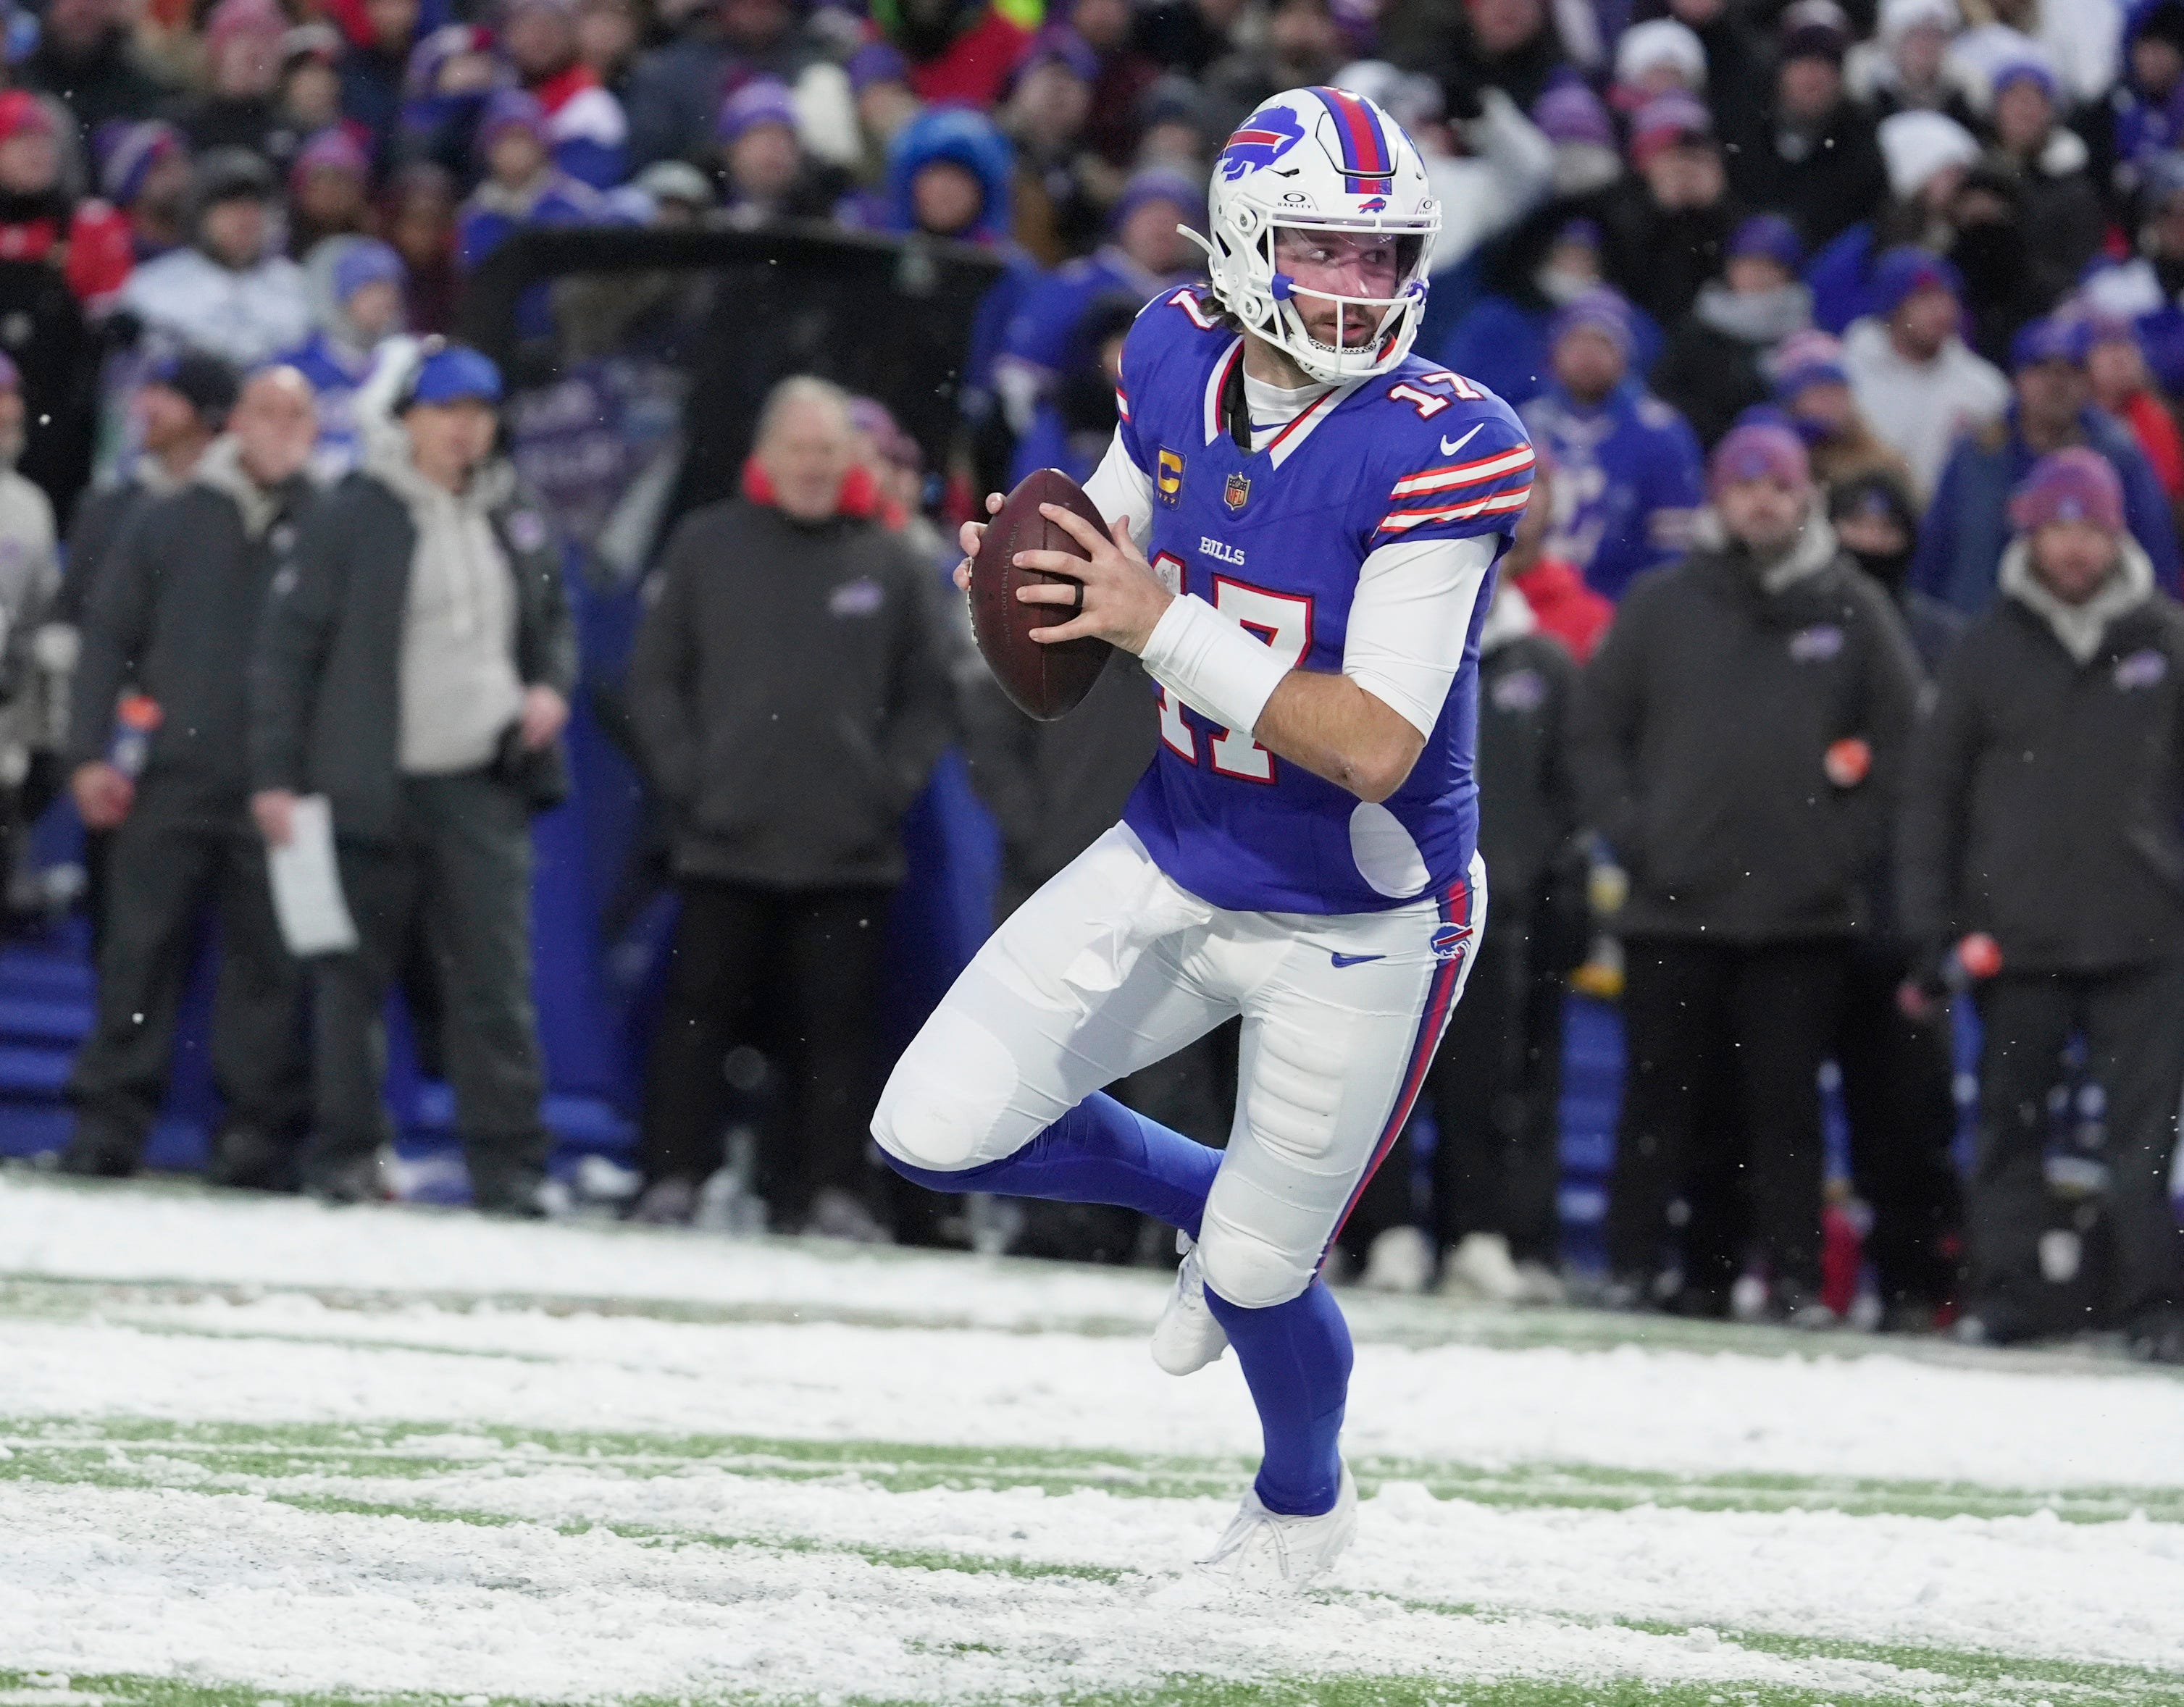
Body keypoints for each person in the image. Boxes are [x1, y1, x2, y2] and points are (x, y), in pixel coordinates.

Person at [874, 88, 1532, 1586]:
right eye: (1323, 251)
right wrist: (1042, 576)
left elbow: (1373, 744)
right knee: (930, 1126)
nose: (1359, 290)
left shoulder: (1446, 443)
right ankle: (1205, 1189)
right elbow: (1115, 532)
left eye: (1385, 258)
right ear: (1241, 239)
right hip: (1176, 846)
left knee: (1254, 1270)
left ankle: (1301, 1506)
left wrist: (1154, 619)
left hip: (1360, 916)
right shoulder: (1171, 344)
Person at [1571, 421, 1923, 1322]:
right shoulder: (1659, 602)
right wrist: (1638, 836)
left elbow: (1904, 747)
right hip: (1670, 903)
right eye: (1745, 483)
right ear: (1718, 496)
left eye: (1779, 484)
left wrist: (1838, 852)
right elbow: (1595, 733)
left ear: (1807, 494)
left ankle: (1797, 1282)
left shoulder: (1851, 606)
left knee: (1786, 1115)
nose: (1762, 499)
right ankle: (1637, 1266)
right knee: (1659, 1106)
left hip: (1799, 917)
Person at [250, 341, 577, 1214]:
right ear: (406, 421)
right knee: (349, 984)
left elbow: (553, 621)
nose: (466, 430)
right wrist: (276, 774)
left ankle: (511, 1169)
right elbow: (289, 652)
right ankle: (347, 1156)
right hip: (367, 781)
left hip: (480, 779)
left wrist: (547, 686)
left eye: (479, 412)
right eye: (447, 412)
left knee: (493, 987)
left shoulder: (516, 512)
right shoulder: (354, 513)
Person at [625, 377, 952, 1236]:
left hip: (849, 852)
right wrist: (693, 781)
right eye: (799, 449)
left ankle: (829, 1191)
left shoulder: (893, 561)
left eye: (827, 451)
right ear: (765, 455)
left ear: (853, 458)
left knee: (838, 1034)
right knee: (694, 1024)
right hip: (722, 842)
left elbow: (932, 693)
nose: (813, 467)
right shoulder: (706, 544)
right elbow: (652, 679)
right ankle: (673, 1178)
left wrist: (886, 790)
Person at [1899, 448, 2184, 1362]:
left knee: (2143, 1146)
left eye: (2091, 527)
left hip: (2147, 935)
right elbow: (1932, 797)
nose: (2074, 547)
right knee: (2008, 1134)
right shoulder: (1986, 648)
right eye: (2059, 526)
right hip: (2015, 937)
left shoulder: (2167, 642)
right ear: (2032, 530)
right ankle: (2009, 1297)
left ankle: (2152, 1307)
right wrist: (1930, 927)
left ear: (2117, 532)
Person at [58, 368, 319, 1186]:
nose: (280, 427)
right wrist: (88, 753)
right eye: (266, 410)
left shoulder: (332, 526)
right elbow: (108, 639)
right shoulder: (167, 519)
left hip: (282, 784)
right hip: (169, 773)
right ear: (234, 420)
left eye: (297, 414)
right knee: (139, 954)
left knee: (271, 967)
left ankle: (254, 1136)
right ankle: (109, 1124)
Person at [1913, 315, 2182, 612]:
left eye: (2070, 372)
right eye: (2042, 371)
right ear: (2017, 378)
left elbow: (2156, 553)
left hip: (2094, 637)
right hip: (1980, 629)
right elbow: (1936, 550)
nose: (2056, 385)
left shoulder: (2120, 456)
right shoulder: (1978, 453)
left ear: (2086, 381)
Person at [1520, 286, 1705, 601]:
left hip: (1623, 610)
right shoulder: (1522, 425)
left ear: (1625, 352)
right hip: (1531, 606)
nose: (1587, 355)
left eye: (1602, 342)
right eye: (1576, 341)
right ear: (1555, 349)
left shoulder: (1662, 435)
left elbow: (1674, 553)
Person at [116, 148, 313, 372]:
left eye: (255, 207)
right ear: (200, 216)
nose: (245, 219)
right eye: (231, 207)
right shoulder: (150, 287)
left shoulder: (299, 287)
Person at [1841, 245, 2009, 500]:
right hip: (1866, 521)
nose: (1941, 310)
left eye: (1947, 297)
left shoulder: (1984, 386)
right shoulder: (1847, 372)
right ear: (1893, 306)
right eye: (1924, 298)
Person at [1650, 214, 1815, 448]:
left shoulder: (1806, 332)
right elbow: (1667, 395)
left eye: (1771, 266)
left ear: (1789, 274)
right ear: (1731, 268)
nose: (1759, 275)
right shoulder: (1697, 329)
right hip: (1705, 449)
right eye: (1749, 264)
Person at [280, 237, 407, 480]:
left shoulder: (406, 363)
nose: (383, 300)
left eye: (390, 289)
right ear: (341, 296)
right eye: (370, 288)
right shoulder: (294, 366)